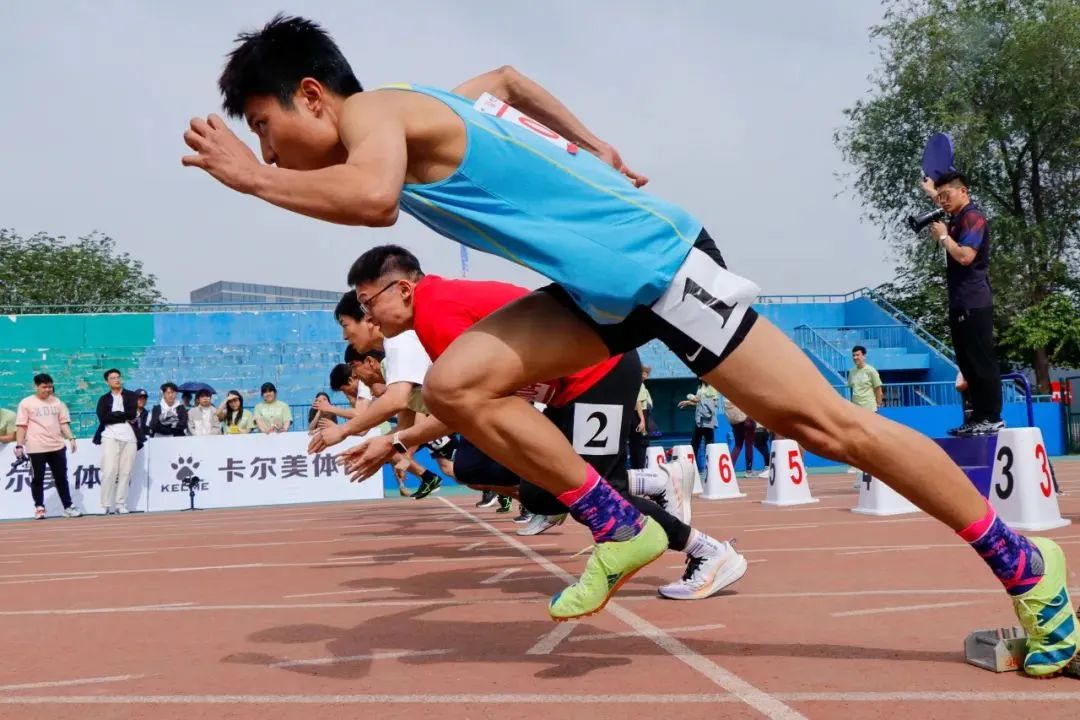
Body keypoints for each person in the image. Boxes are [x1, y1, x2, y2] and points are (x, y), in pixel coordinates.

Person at [184, 16, 1075, 673]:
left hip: (660, 270)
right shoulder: (427, 106)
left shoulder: (376, 112)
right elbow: (507, 77)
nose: (266, 146)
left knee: (830, 428)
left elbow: (373, 199)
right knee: (457, 386)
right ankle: (619, 526)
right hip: (598, 291)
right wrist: (592, 143)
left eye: (263, 124)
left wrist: (251, 181)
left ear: (312, 95)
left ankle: (1027, 567)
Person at [334, 246, 745, 601]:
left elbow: (454, 408)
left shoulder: (436, 314)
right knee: (544, 494)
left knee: (592, 493)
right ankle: (654, 482)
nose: (369, 317)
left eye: (368, 304)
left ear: (403, 289)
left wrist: (396, 442)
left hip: (600, 374)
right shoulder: (439, 307)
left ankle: (708, 551)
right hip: (570, 390)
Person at [310, 292, 447, 499]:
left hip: (486, 404)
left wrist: (344, 430)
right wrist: (384, 448)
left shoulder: (399, 342)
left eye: (345, 325)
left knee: (469, 469)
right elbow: (405, 423)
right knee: (471, 470)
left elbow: (396, 401)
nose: (344, 336)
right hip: (466, 415)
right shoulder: (394, 361)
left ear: (368, 319)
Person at [923, 172, 1003, 437]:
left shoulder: (973, 217)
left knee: (981, 362)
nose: (942, 201)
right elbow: (942, 197)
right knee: (967, 365)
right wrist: (931, 190)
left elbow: (966, 256)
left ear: (964, 191)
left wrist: (943, 237)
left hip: (975, 302)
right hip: (959, 303)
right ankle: (977, 417)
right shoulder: (956, 215)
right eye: (940, 197)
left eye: (947, 195)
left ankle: (992, 417)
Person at [326, 358, 439, 498]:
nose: (370, 393)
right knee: (390, 446)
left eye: (344, 391)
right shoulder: (402, 390)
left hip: (447, 414)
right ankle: (424, 478)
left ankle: (427, 477)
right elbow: (403, 426)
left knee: (455, 469)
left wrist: (407, 458)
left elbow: (418, 424)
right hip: (443, 416)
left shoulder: (389, 380)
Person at [13, 374, 81, 519]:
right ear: (35, 386)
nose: (47, 390)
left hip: (57, 446)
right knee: (38, 478)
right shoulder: (26, 403)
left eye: (50, 387)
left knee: (61, 478)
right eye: (44, 387)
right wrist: (19, 445)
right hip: (36, 447)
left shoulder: (58, 402)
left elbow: (64, 423)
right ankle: (39, 507)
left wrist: (71, 438)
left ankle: (68, 507)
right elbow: (21, 426)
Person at [92, 369, 144, 514]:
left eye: (118, 377)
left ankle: (120, 503)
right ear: (107, 382)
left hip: (129, 437)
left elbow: (131, 414)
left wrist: (115, 415)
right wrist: (121, 415)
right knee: (109, 471)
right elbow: (103, 418)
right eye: (113, 378)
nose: (116, 380)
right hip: (110, 436)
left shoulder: (131, 395)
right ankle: (105, 504)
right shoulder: (104, 399)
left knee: (125, 472)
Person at [847, 345, 883, 481]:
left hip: (869, 408)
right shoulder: (852, 372)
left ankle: (875, 466)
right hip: (856, 410)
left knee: (870, 437)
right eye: (853, 355)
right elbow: (852, 389)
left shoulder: (871, 371)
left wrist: (878, 404)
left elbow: (878, 389)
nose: (855, 357)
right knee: (857, 437)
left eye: (858, 355)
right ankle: (859, 469)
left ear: (864, 356)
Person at [678, 379, 719, 475]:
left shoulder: (711, 387)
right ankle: (693, 468)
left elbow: (712, 403)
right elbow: (698, 402)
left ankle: (711, 468)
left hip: (708, 421)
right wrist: (688, 402)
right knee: (694, 444)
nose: (700, 376)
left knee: (709, 445)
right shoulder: (700, 387)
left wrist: (693, 398)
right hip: (699, 420)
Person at [723, 396, 756, 477]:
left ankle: (730, 469)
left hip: (735, 423)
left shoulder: (725, 396)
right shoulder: (739, 392)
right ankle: (748, 471)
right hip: (746, 420)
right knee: (749, 445)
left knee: (737, 446)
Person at [629, 364, 654, 470]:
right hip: (640, 415)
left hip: (635, 416)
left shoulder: (634, 384)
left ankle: (636, 469)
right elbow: (638, 402)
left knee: (635, 444)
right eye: (644, 373)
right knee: (641, 445)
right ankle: (641, 470)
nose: (646, 375)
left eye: (647, 373)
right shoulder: (640, 385)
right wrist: (642, 420)